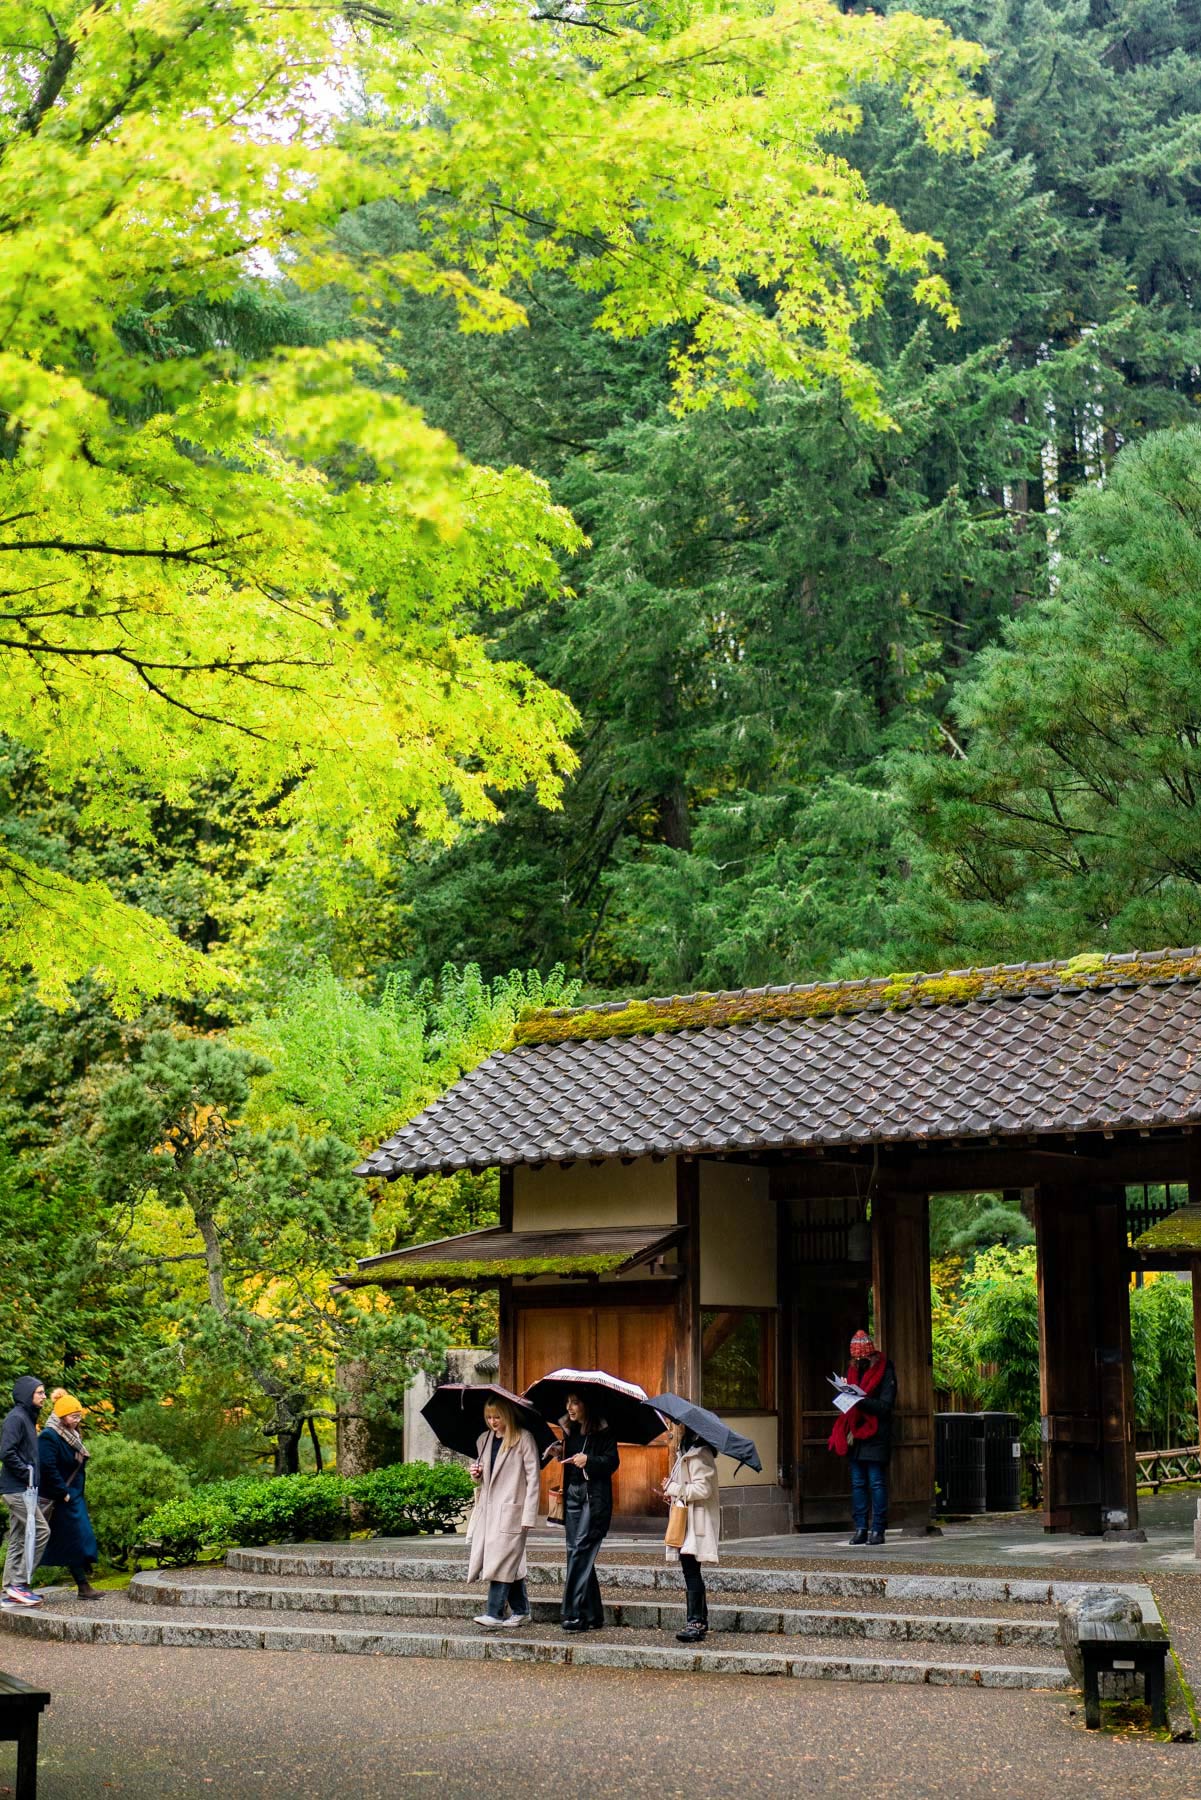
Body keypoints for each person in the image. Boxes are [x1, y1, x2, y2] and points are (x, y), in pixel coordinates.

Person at [544, 1391, 618, 1633]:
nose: (570, 1407)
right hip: (572, 1493)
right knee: (575, 1551)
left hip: (592, 1496)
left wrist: (590, 1461)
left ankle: (573, 1612)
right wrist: (559, 1454)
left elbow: (612, 1462)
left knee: (580, 1550)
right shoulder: (569, 1429)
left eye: (575, 1402)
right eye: (567, 1402)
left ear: (587, 1405)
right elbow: (570, 1461)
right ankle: (593, 1614)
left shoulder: (604, 1430)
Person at [466, 1397, 540, 1628]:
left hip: (512, 1510)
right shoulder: (483, 1440)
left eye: (497, 1417)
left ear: (507, 1415)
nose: (493, 1421)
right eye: (489, 1417)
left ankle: (495, 1613)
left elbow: (533, 1478)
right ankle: (522, 1610)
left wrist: (529, 1515)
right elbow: (484, 1479)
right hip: (489, 1510)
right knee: (509, 1561)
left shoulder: (523, 1439)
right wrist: (476, 1474)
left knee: (501, 1560)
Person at [827, 1328, 897, 1546]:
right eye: (856, 1358)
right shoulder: (853, 1369)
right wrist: (846, 1394)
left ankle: (878, 1529)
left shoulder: (886, 1370)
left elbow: (886, 1406)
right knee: (857, 1483)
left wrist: (859, 1398)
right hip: (855, 1433)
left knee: (876, 1483)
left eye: (862, 1357)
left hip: (876, 1433)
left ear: (871, 1354)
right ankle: (860, 1528)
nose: (859, 1361)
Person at [38, 1389, 100, 1599]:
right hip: (61, 1497)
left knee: (79, 1537)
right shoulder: (49, 1436)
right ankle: (82, 1585)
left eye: (79, 1415)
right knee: (69, 1539)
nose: (77, 1420)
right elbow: (47, 1467)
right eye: (74, 1416)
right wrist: (62, 1492)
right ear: (62, 1416)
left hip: (74, 1496)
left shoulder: (71, 1435)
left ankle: (83, 1582)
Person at [663, 1421, 719, 1644]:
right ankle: (699, 1619)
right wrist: (671, 1488)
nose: (677, 1430)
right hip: (687, 1518)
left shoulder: (700, 1454)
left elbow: (703, 1489)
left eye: (680, 1427)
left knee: (691, 1569)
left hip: (697, 1521)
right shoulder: (685, 1453)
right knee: (690, 1569)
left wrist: (675, 1488)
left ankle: (695, 1621)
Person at [1, 1376, 50, 1608]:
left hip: (23, 1488)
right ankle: (19, 1584)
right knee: (41, 1531)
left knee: (19, 1537)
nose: (43, 1396)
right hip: (17, 1489)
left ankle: (11, 1586)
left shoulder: (28, 1418)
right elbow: (6, 1452)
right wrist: (27, 1473)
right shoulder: (16, 1418)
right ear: (27, 1394)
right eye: (39, 1392)